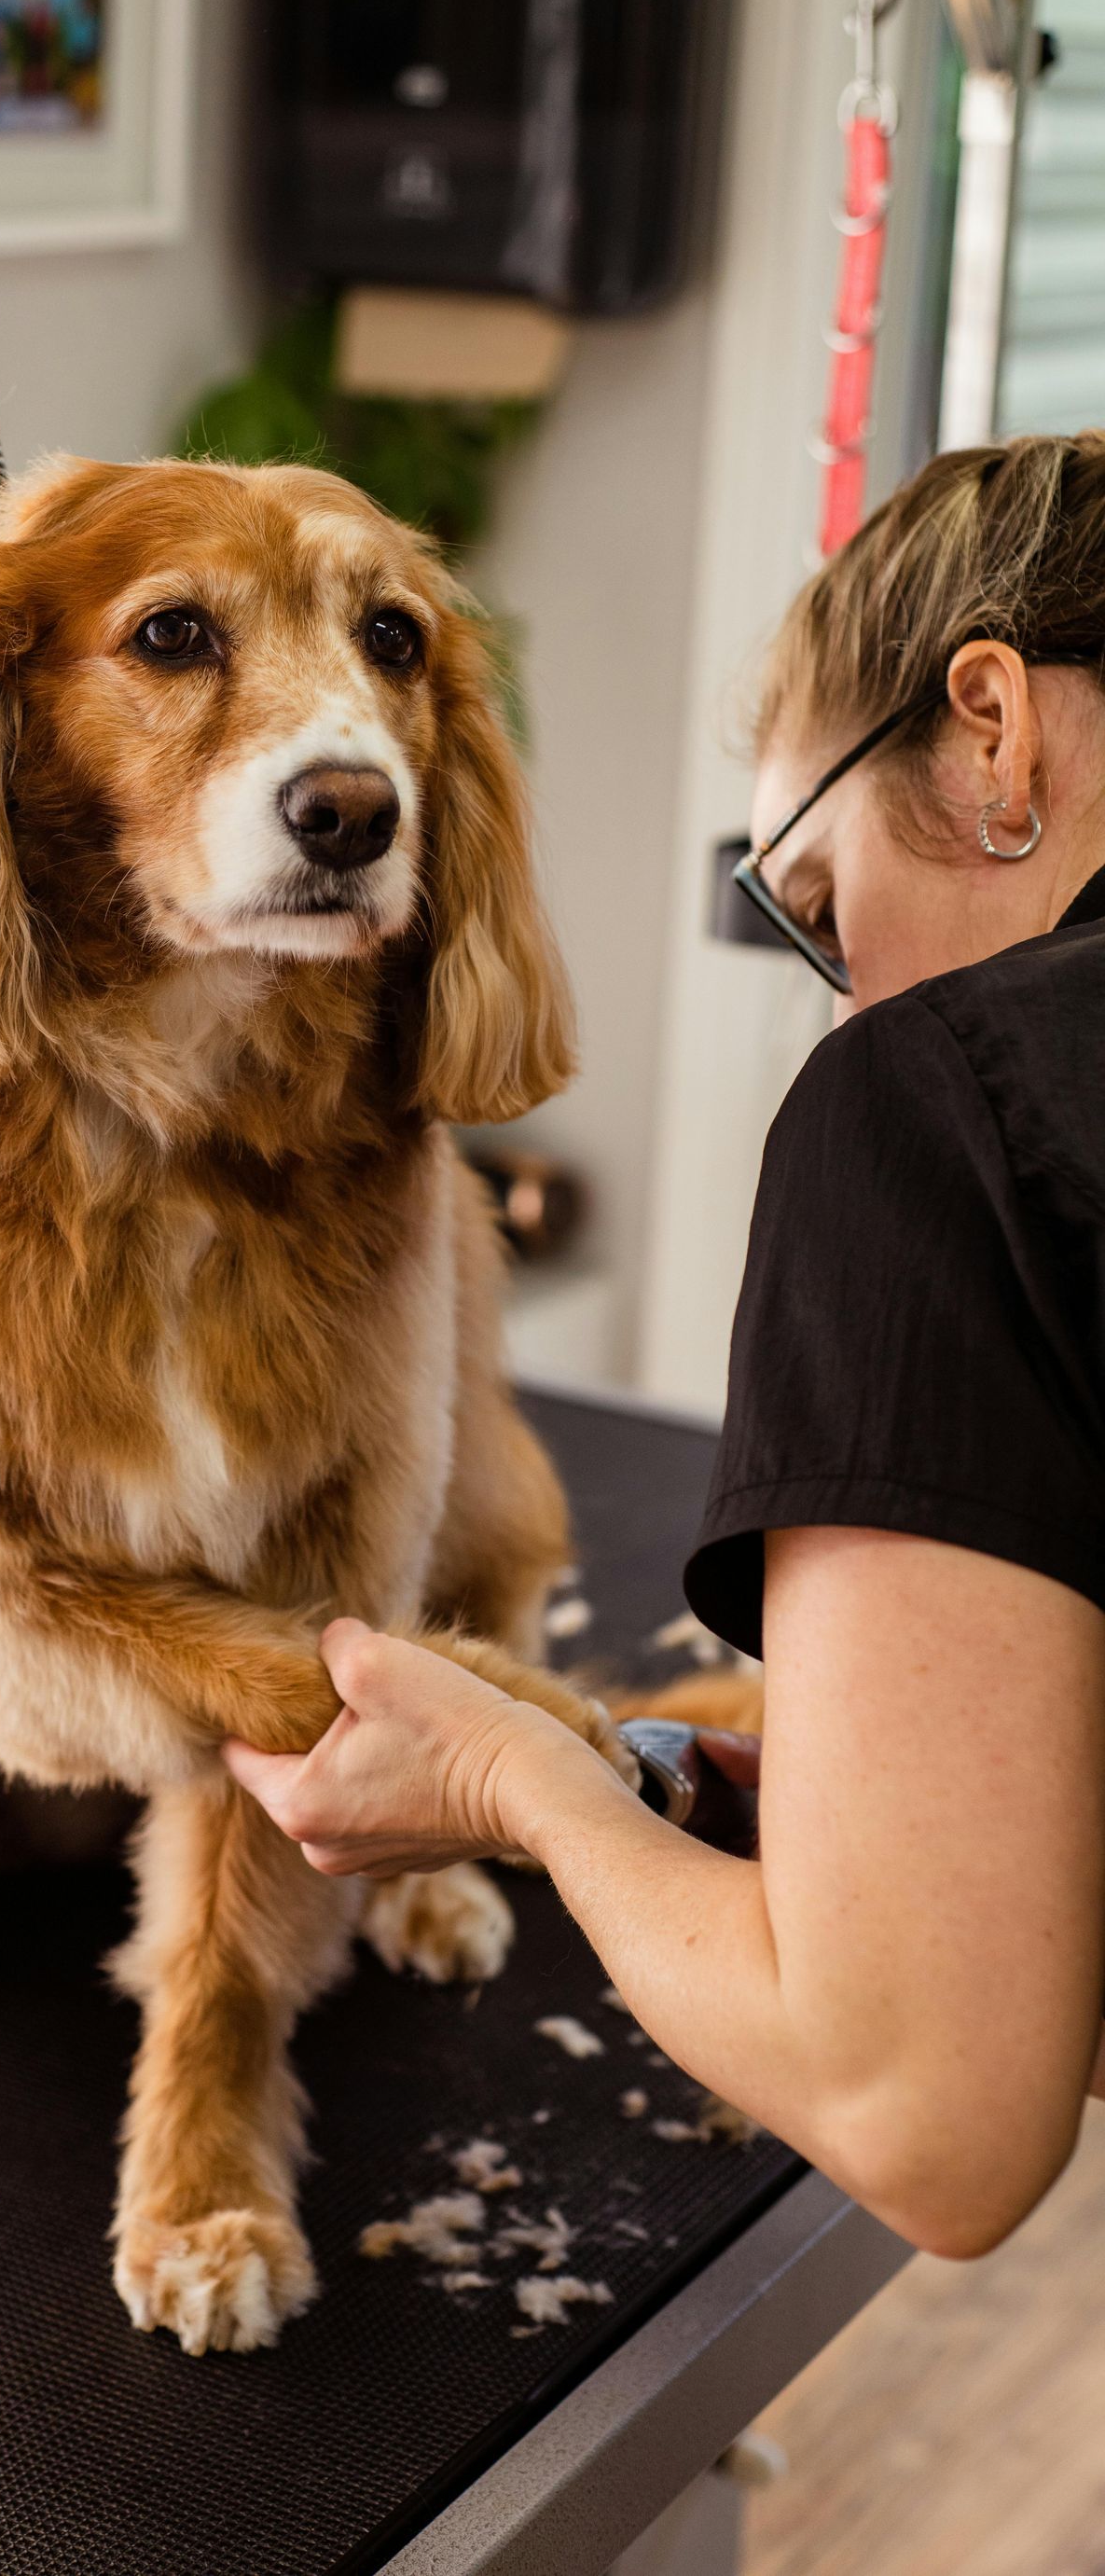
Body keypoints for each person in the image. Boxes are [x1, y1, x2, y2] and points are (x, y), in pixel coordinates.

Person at [227, 433, 1105, 2260]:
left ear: (997, 729)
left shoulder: (936, 1096)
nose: (848, 986)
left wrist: (514, 1785)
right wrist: (945, 1842)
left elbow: (929, 2119)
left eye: (814, 896)